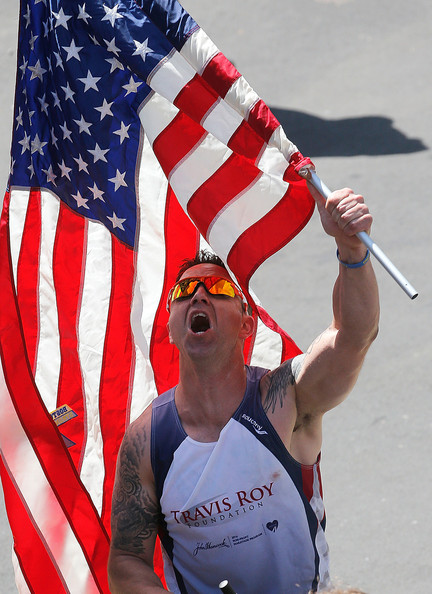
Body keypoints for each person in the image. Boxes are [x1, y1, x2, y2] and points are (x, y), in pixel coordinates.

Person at [107, 185, 380, 594]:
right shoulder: (147, 441)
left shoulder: (285, 398)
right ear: (170, 328)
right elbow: (127, 560)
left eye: (218, 290)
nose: (198, 293)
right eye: (183, 292)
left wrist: (350, 249)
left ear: (246, 324)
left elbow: (353, 335)